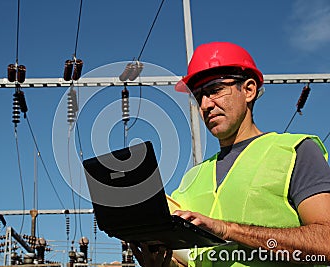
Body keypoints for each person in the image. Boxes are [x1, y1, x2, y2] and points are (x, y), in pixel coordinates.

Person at [131, 42, 330, 266]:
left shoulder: (294, 151)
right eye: (198, 97)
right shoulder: (192, 179)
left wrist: (227, 229)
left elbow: (326, 243)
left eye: (215, 90)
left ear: (249, 90)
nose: (205, 104)